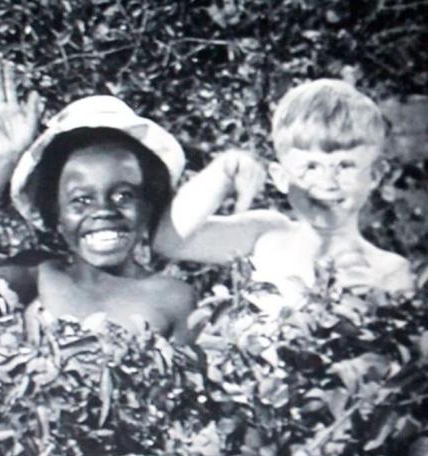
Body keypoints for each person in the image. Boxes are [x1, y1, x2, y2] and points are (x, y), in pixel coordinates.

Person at [0, 60, 197, 343]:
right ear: (55, 214)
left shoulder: (173, 297)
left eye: (123, 196)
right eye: (81, 200)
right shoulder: (40, 276)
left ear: (148, 205)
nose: (103, 211)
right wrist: (4, 158)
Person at [154, 79, 414, 304]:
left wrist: (368, 305)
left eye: (345, 166)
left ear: (375, 175)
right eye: (311, 167)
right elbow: (166, 240)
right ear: (280, 177)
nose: (327, 182)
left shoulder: (389, 270)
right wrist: (222, 172)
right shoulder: (264, 236)